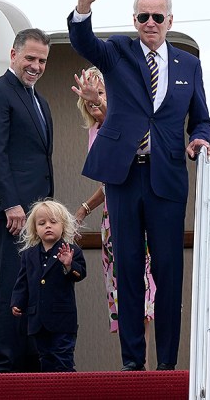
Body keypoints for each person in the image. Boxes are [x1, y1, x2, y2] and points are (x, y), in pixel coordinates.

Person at [67, 0, 210, 371]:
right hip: (124, 176)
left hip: (166, 176)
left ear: (170, 20)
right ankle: (134, 365)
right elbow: (83, 42)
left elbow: (201, 118)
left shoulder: (188, 65)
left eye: (158, 16)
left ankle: (166, 367)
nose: (151, 23)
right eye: (143, 16)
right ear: (135, 21)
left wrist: (200, 137)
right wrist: (83, 6)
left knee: (168, 274)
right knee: (128, 270)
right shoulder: (118, 51)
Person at [0, 28, 53, 373]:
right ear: (13, 55)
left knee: (31, 290)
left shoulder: (40, 100)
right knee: (8, 287)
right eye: (30, 58)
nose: (35, 66)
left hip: (35, 214)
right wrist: (10, 204)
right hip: (12, 212)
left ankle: (27, 364)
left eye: (42, 60)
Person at [71, 68, 156, 343]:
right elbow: (110, 179)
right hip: (112, 217)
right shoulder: (95, 130)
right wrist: (85, 208)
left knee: (141, 287)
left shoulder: (130, 122)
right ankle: (131, 362)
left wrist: (108, 113)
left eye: (100, 94)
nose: (94, 102)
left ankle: (141, 364)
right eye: (89, 98)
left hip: (139, 215)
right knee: (118, 288)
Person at [11, 200, 87, 372]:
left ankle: (67, 391)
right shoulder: (28, 255)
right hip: (38, 319)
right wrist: (17, 301)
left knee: (63, 358)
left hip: (62, 319)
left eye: (53, 222)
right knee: (45, 359)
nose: (48, 226)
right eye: (42, 223)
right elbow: (23, 282)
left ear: (63, 225)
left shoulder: (71, 250)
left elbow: (80, 274)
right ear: (35, 228)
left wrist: (68, 265)